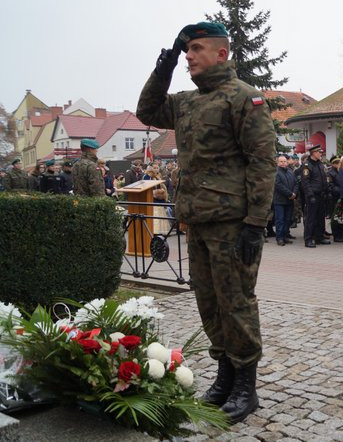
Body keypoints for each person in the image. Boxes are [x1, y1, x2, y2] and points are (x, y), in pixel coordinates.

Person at [136, 21, 277, 422]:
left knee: (236, 303)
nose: (188, 57)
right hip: (196, 220)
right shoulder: (186, 102)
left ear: (221, 53)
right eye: (185, 51)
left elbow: (262, 163)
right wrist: (164, 64)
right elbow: (146, 109)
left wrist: (255, 223)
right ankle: (225, 375)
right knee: (209, 303)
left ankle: (246, 387)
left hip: (233, 224)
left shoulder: (244, 99)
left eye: (196, 49)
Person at [300, 145, 330, 248]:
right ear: (313, 153)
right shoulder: (307, 165)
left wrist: (327, 190)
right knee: (311, 218)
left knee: (320, 217)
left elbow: (324, 178)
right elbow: (305, 182)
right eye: (319, 152)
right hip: (313, 195)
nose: (321, 154)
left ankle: (319, 237)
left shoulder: (320, 164)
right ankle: (309, 239)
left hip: (321, 195)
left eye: (321, 152)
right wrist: (310, 195)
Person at [273, 155, 298, 246]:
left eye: (285, 161)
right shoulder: (276, 172)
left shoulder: (290, 171)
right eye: (281, 161)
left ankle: (285, 236)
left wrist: (294, 193)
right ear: (277, 163)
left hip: (290, 200)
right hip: (280, 200)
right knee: (280, 220)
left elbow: (295, 183)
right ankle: (279, 238)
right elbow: (278, 185)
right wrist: (290, 194)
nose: (283, 163)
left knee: (288, 219)